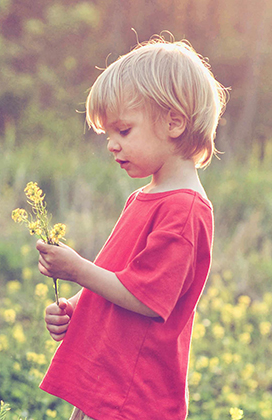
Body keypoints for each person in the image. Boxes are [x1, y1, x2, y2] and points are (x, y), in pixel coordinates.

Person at [35, 34, 228, 419]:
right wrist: (77, 307)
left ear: (174, 122)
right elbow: (121, 277)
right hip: (109, 378)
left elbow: (146, 298)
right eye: (108, 134)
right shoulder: (144, 197)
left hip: (136, 394)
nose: (111, 145)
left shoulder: (185, 210)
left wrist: (77, 270)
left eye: (123, 131)